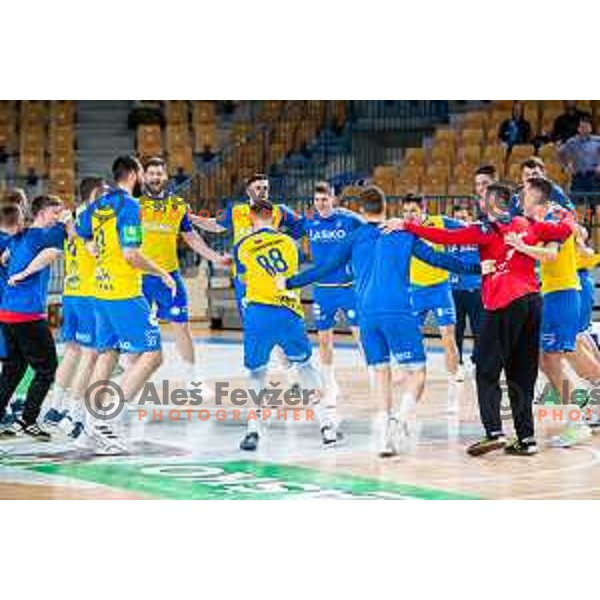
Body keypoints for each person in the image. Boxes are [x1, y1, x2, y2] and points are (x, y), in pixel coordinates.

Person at [284, 186, 480, 457]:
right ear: (386, 208)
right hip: (399, 312)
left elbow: (324, 268)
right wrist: (476, 268)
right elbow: (439, 259)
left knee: (380, 372)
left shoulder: (354, 237)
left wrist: (289, 282)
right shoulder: (403, 234)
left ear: (362, 211)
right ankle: (401, 420)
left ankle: (384, 436)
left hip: (368, 317)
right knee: (418, 373)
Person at [385, 182, 574, 456]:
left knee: (485, 369)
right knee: (522, 373)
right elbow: (566, 229)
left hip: (505, 302)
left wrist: (406, 225)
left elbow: (443, 238)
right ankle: (526, 439)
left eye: (485, 198)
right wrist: (565, 212)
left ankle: (494, 432)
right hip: (534, 303)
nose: (481, 201)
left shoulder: (485, 229)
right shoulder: (528, 224)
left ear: (496, 203)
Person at [75, 155, 176, 454]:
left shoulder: (97, 206)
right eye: (143, 172)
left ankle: (89, 424)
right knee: (152, 356)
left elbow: (81, 233)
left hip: (100, 290)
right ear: (133, 174)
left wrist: (100, 257)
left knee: (107, 354)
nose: (145, 178)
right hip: (123, 292)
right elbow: (131, 254)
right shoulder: (130, 206)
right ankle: (104, 421)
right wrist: (162, 273)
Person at [234, 199, 337, 451]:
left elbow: (244, 278)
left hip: (259, 313)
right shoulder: (290, 243)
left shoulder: (242, 246)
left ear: (250, 218)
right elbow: (292, 272)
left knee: (257, 372)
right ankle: (326, 427)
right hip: (288, 312)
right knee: (304, 366)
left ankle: (253, 431)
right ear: (275, 218)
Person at [505, 179, 600, 447]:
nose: (521, 200)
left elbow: (550, 255)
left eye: (525, 195)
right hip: (556, 294)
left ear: (538, 197)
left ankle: (577, 420)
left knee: (552, 360)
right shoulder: (554, 217)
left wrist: (519, 246)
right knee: (549, 360)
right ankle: (578, 414)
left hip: (562, 294)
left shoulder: (553, 219)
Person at [139, 157, 230, 387]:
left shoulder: (178, 205)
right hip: (138, 277)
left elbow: (192, 238)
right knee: (138, 329)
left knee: (182, 325)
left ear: (166, 176)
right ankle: (136, 381)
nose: (156, 178)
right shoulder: (134, 205)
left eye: (159, 173)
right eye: (151, 174)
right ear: (143, 177)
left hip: (170, 277)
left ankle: (192, 379)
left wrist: (216, 258)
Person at [0, 195, 69, 440]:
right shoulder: (44, 235)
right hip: (26, 315)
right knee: (47, 368)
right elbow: (50, 253)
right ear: (41, 212)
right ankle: (28, 420)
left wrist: (14, 269)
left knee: (14, 368)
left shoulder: (20, 236)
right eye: (54, 212)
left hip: (7, 313)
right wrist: (25, 273)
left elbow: (4, 256)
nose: (57, 216)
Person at [42, 178, 106, 437]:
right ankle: (74, 414)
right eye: (103, 192)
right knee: (90, 356)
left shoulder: (70, 217)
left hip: (71, 291)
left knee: (71, 352)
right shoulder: (91, 218)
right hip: (89, 294)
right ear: (94, 195)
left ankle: (55, 408)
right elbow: (95, 252)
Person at [292, 182, 363, 401]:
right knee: (324, 339)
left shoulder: (349, 220)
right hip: (322, 291)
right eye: (317, 200)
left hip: (347, 288)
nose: (321, 204)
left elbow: (372, 228)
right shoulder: (310, 222)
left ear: (333, 199)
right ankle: (330, 384)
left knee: (361, 335)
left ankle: (375, 375)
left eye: (325, 199)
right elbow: (285, 228)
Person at [401, 194, 464, 399]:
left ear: (423, 210)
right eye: (406, 211)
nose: (409, 216)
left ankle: (454, 380)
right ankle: (414, 381)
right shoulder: (402, 229)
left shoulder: (439, 222)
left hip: (439, 290)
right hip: (415, 290)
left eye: (413, 211)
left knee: (447, 337)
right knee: (412, 337)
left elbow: (466, 227)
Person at [448, 202, 482, 373]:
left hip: (476, 290)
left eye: (464, 218)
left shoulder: (478, 235)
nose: (460, 221)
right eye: (457, 218)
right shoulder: (447, 237)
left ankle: (479, 362)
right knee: (456, 330)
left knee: (479, 329)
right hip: (453, 291)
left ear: (471, 218)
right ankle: (457, 363)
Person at [509, 157, 574, 216]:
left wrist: (554, 210)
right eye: (527, 175)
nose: (531, 178)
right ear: (522, 178)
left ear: (543, 175)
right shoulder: (517, 195)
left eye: (535, 174)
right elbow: (508, 219)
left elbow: (570, 212)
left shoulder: (554, 191)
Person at [558, 115, 600, 194]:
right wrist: (566, 166)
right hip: (578, 177)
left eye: (586, 127)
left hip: (594, 177)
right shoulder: (572, 142)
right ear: (578, 129)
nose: (584, 129)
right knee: (577, 203)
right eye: (582, 127)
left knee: (596, 203)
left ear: (591, 128)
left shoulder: (597, 141)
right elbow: (560, 153)